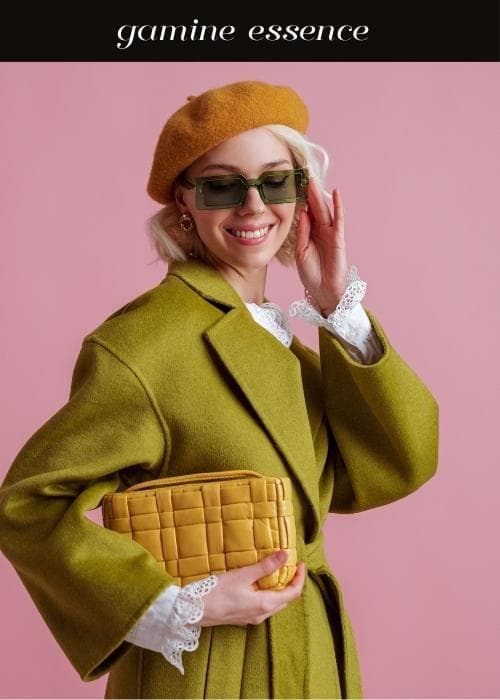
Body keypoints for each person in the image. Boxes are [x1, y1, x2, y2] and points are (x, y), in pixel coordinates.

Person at [0, 80, 439, 699]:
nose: (254, 206)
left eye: (276, 180)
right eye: (222, 185)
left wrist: (337, 306)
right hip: (210, 672)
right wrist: (176, 605)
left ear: (303, 192)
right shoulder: (144, 344)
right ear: (186, 203)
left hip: (312, 654)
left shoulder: (281, 339)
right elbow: (27, 505)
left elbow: (399, 462)